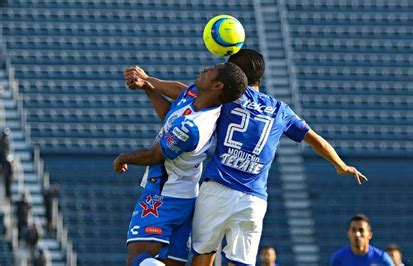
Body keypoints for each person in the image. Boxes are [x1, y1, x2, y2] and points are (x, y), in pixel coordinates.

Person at [126, 49, 367, 266]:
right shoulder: (280, 110)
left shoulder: (226, 99)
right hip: (254, 199)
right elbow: (314, 138)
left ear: (235, 75)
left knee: (204, 254)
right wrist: (340, 164)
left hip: (217, 189)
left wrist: (150, 81)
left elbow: (187, 92)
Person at [114, 62, 247, 266]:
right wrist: (148, 85)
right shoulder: (198, 99)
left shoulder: (192, 128)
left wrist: (123, 158)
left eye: (211, 71)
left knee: (137, 259)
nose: (204, 69)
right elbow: (173, 107)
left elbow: (154, 156)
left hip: (163, 196)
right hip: (186, 197)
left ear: (217, 85)